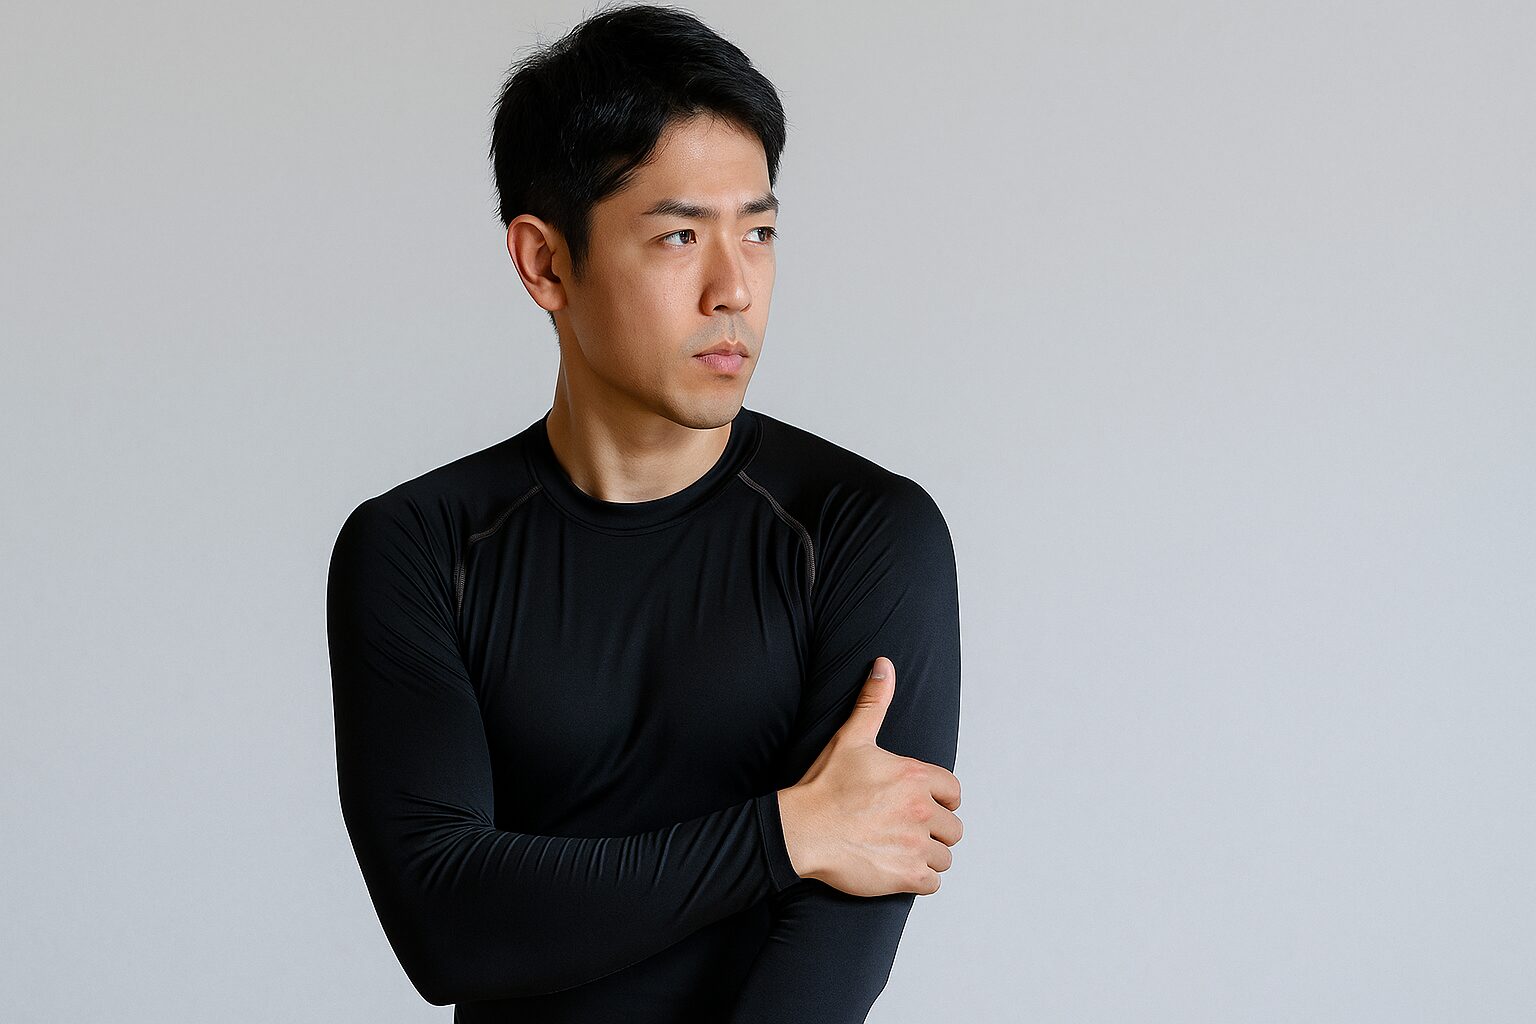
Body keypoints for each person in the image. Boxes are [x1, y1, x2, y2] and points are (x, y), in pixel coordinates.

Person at [325, 5, 964, 1021]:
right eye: (679, 235)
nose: (734, 288)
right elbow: (448, 927)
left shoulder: (861, 530)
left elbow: (827, 964)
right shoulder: (418, 547)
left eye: (759, 231)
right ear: (545, 263)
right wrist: (789, 834)